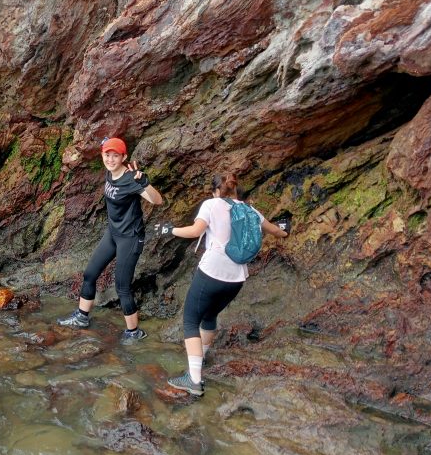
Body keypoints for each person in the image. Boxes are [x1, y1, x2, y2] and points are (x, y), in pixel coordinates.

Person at [155, 173, 289, 397]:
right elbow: (276, 231)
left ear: (216, 191)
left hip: (212, 272)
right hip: (236, 278)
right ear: (237, 191)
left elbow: (196, 231)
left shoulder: (212, 204)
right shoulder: (250, 210)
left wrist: (169, 230)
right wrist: (286, 230)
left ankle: (194, 380)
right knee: (209, 316)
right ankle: (202, 357)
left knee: (190, 320)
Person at [57, 137, 163, 343]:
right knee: (90, 274)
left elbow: (157, 200)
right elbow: (102, 146)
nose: (111, 159)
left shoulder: (131, 179)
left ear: (124, 157)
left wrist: (144, 184)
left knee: (122, 286)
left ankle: (134, 332)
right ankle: (81, 317)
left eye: (116, 156)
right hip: (113, 234)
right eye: (107, 155)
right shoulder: (109, 172)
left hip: (130, 238)